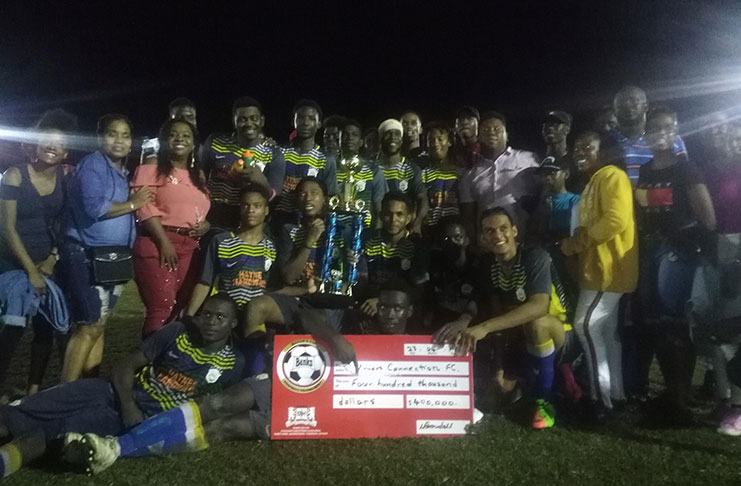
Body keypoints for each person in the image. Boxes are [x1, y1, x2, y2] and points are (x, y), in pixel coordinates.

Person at [0, 294, 244, 480]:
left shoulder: (233, 364)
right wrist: (127, 403)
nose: (210, 321)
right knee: (29, 409)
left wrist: (137, 420)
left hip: (134, 417)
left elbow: (215, 409)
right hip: (112, 391)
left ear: (233, 323)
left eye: (220, 317)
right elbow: (125, 365)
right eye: (206, 314)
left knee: (51, 434)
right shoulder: (177, 332)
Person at [435, 208, 573, 429]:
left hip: (560, 334)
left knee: (537, 324)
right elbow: (495, 313)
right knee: (497, 393)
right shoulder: (489, 264)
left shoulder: (535, 256)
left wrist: (484, 327)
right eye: (490, 231)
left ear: (515, 230)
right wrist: (498, 367)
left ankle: (545, 401)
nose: (497, 235)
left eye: (503, 229)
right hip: (520, 337)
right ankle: (532, 383)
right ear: (482, 238)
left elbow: (538, 307)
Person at [634, 107, 716, 424]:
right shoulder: (644, 171)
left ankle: (681, 401)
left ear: (677, 129)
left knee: (677, 326)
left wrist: (686, 247)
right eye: (654, 128)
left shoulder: (686, 168)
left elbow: (707, 219)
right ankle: (672, 394)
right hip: (650, 255)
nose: (661, 132)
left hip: (679, 256)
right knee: (657, 325)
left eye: (667, 127)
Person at [60, 115, 155, 383]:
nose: (119, 140)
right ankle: (63, 394)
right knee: (89, 326)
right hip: (87, 254)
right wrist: (134, 204)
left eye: (125, 135)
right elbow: (95, 207)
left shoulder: (123, 173)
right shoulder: (93, 165)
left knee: (99, 328)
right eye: (113, 134)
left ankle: (87, 388)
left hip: (112, 259)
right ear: (100, 137)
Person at [0, 109, 78, 401]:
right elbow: (7, 228)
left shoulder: (66, 178)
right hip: (12, 263)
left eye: (58, 143)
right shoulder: (15, 175)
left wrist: (51, 259)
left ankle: (33, 391)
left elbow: (65, 222)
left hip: (47, 263)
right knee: (12, 327)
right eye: (46, 140)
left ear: (65, 150)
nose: (51, 146)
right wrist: (30, 271)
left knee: (45, 330)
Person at [559, 131, 637, 418]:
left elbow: (615, 220)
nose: (579, 151)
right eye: (577, 147)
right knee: (605, 332)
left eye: (587, 147)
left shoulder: (612, 175)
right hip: (598, 271)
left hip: (609, 271)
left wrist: (574, 244)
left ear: (604, 152)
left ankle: (599, 400)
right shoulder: (594, 182)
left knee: (585, 326)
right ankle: (616, 395)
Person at [131, 119, 211, 337]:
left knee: (181, 307)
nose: (180, 139)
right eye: (174, 135)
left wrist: (206, 225)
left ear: (194, 143)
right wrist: (163, 242)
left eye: (186, 136)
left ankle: (170, 363)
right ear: (165, 141)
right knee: (161, 308)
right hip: (159, 243)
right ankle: (149, 365)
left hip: (190, 248)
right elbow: (144, 205)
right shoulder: (152, 167)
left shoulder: (199, 176)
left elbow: (199, 209)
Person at [243, 177, 346, 338]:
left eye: (314, 193)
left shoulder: (342, 231)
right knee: (257, 306)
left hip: (330, 302)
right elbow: (289, 277)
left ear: (325, 199)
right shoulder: (289, 230)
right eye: (302, 194)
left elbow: (355, 280)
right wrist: (308, 243)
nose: (308, 198)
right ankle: (257, 360)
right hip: (298, 300)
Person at [186, 183, 275, 317]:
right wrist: (189, 315)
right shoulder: (221, 241)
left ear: (266, 210)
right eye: (245, 205)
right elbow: (205, 281)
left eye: (257, 206)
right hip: (224, 314)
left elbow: (272, 286)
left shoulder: (272, 246)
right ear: (240, 208)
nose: (251, 210)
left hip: (255, 317)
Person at [201, 97, 285, 232]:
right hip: (212, 222)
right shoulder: (215, 142)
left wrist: (260, 180)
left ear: (262, 121)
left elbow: (274, 196)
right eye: (242, 119)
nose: (249, 123)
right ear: (234, 121)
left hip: (247, 227)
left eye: (254, 118)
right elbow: (200, 179)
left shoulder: (274, 154)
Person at [459, 111, 540, 240]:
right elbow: (468, 216)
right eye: (486, 130)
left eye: (497, 129)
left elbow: (544, 192)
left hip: (527, 239)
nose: (491, 132)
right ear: (478, 137)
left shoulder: (529, 159)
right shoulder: (469, 175)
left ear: (507, 135)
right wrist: (475, 243)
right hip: (490, 244)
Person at [356, 191, 428, 319]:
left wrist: (383, 301)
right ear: (381, 215)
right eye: (388, 214)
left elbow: (419, 290)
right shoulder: (366, 240)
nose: (393, 220)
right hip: (369, 307)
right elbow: (361, 283)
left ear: (409, 218)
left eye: (399, 214)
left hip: (402, 311)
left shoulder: (417, 246)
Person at [274, 100, 338, 228]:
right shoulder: (278, 152)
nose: (306, 122)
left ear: (318, 124)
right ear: (294, 122)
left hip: (309, 224)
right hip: (278, 221)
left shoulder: (326, 159)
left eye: (311, 118)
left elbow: (329, 197)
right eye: (301, 118)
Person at [609, 85, 687, 184]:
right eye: (621, 103)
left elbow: (685, 177)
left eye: (633, 101)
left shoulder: (670, 139)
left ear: (646, 106)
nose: (627, 105)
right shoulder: (604, 142)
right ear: (615, 111)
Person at [377, 119, 428, 235]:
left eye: (397, 134)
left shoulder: (411, 168)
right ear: (380, 139)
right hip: (377, 227)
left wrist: (417, 223)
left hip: (402, 230)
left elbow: (422, 198)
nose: (393, 137)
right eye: (388, 133)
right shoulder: (372, 168)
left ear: (401, 140)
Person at [336, 119, 386, 229]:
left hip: (363, 229)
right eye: (345, 135)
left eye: (354, 135)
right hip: (334, 228)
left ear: (361, 142)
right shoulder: (331, 168)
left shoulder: (374, 171)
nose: (350, 138)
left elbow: (378, 209)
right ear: (338, 140)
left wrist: (375, 234)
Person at [419, 121, 463, 238]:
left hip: (456, 232)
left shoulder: (461, 173)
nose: (435, 143)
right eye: (431, 140)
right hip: (431, 232)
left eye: (440, 139)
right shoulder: (424, 174)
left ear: (449, 142)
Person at [453, 105, 480, 170]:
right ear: (455, 127)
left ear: (478, 125)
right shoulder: (450, 154)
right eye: (461, 119)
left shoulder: (487, 151)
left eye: (470, 118)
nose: (464, 122)